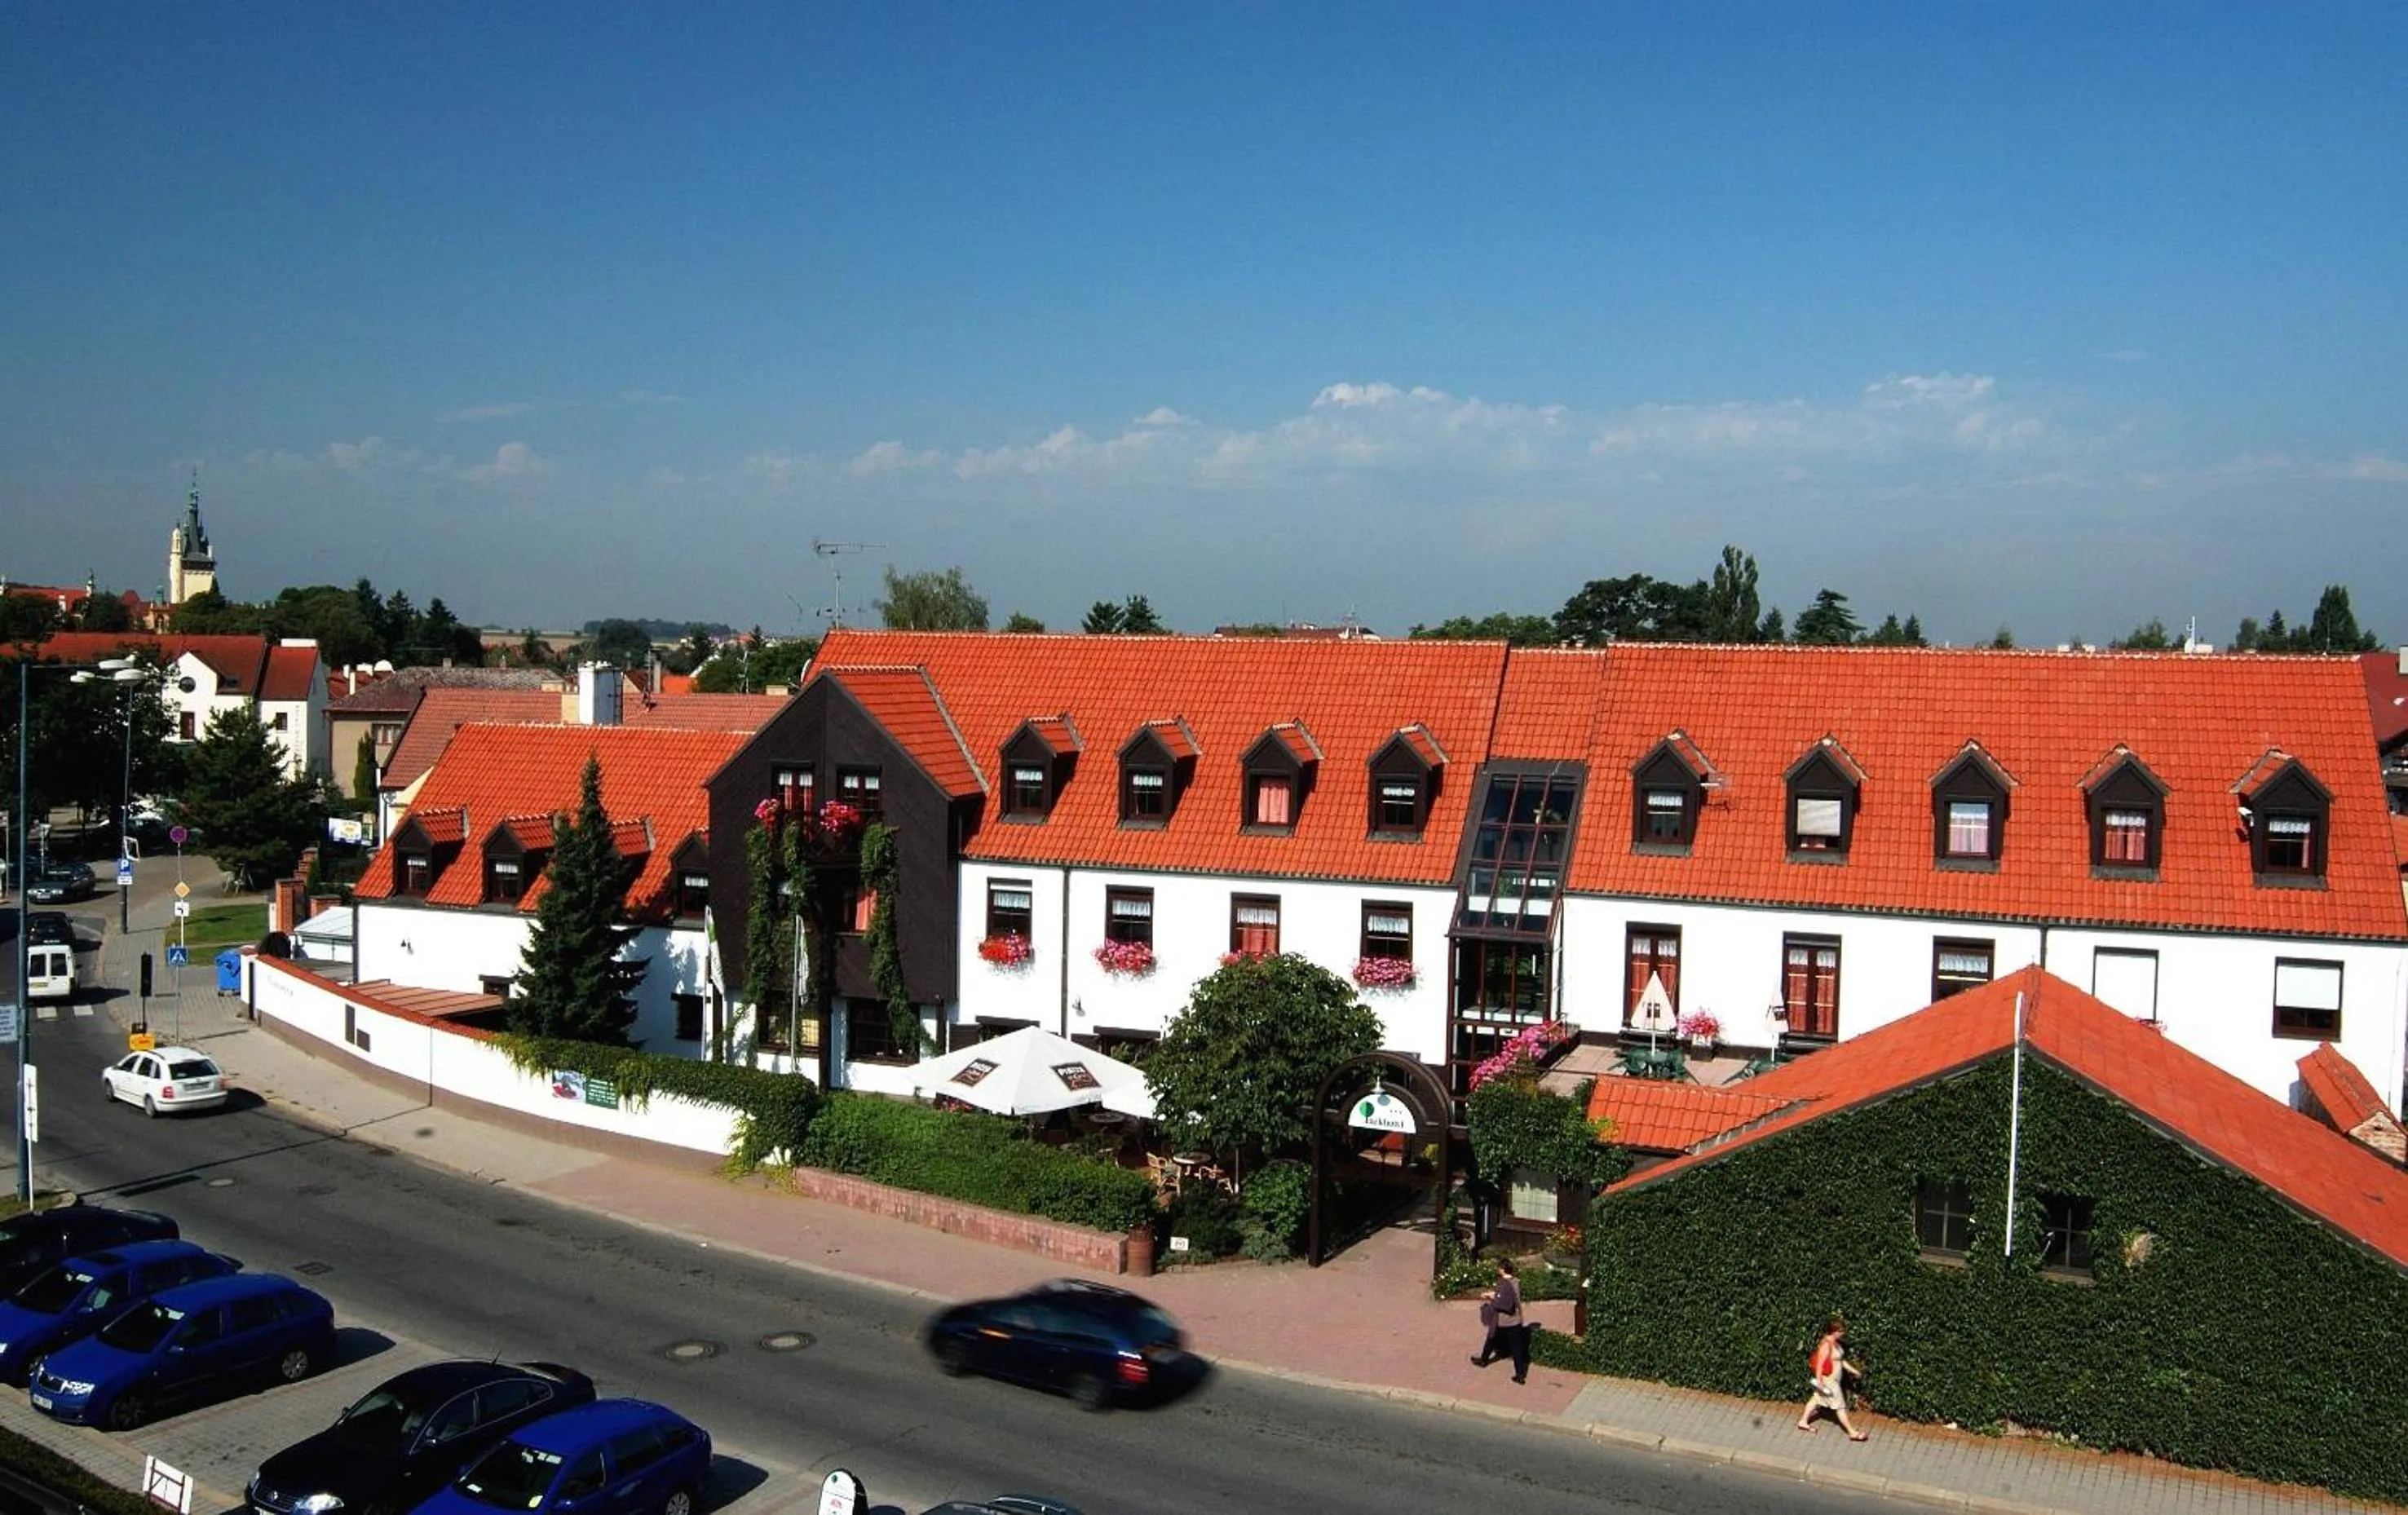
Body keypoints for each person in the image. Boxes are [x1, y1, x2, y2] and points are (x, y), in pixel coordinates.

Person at [1796, 1316, 1869, 1440]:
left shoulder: (1835, 1343)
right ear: (1834, 1331)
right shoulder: (1826, 1345)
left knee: (1815, 1400)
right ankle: (1852, 1433)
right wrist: (1819, 1382)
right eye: (1841, 1331)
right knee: (1840, 1407)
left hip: (1832, 1380)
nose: (1843, 1333)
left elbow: (1840, 1360)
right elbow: (1819, 1365)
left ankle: (1803, 1421)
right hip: (1828, 1381)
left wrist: (1853, 1370)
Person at [1471, 1257, 1529, 1383]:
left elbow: (1500, 1302)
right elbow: (1507, 1296)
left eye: (1499, 1268)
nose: (1498, 1270)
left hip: (1503, 1320)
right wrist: (1492, 1294)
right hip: (1516, 1320)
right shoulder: (1516, 1281)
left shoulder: (1503, 1283)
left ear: (1503, 1269)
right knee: (1517, 1348)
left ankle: (1483, 1360)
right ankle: (1520, 1375)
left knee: (1491, 1339)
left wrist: (1489, 1298)